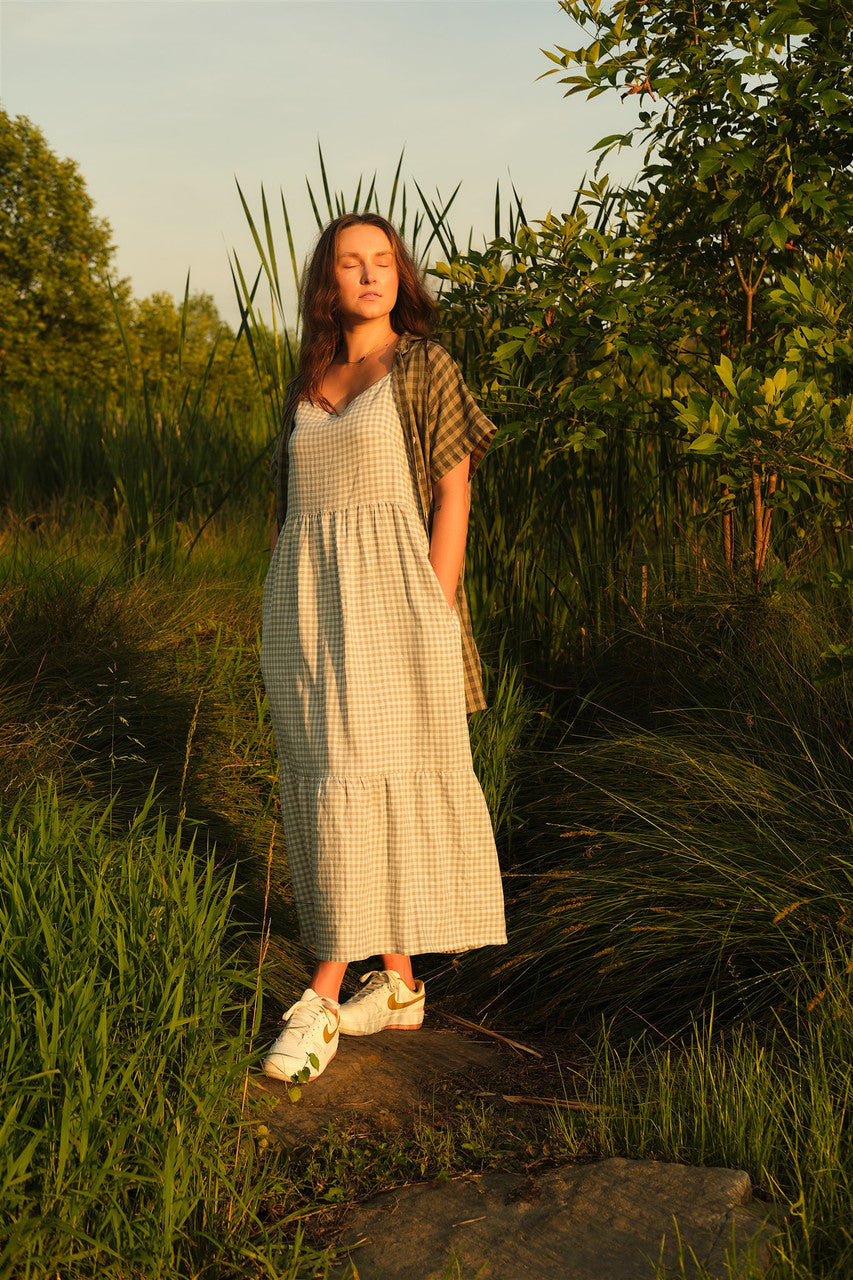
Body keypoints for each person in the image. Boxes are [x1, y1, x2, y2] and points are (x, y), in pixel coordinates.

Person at [259, 212, 506, 1083]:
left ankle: (322, 994)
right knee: (333, 773)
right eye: (350, 263)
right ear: (329, 282)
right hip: (305, 607)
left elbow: (452, 494)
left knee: (362, 777)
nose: (370, 275)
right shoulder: (308, 377)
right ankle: (398, 984)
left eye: (383, 261)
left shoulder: (422, 365)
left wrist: (432, 616)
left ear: (400, 276)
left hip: (394, 604)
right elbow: (293, 514)